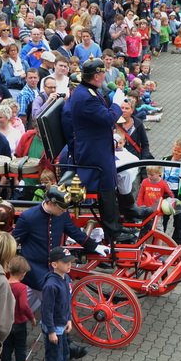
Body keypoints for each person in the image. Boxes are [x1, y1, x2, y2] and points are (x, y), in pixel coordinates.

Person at [68, 58, 131, 244]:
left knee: (110, 185)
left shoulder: (88, 91)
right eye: (102, 73)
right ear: (97, 76)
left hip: (98, 145)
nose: (104, 76)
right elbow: (108, 118)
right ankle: (113, 231)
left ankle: (118, 221)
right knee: (106, 188)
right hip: (93, 152)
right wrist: (117, 104)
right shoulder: (86, 97)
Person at [41, 247, 77, 361]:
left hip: (63, 325)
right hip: (54, 329)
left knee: (65, 353)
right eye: (65, 262)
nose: (69, 265)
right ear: (54, 264)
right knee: (54, 360)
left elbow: (67, 302)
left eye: (70, 261)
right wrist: (51, 331)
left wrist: (68, 319)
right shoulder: (50, 286)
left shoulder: (66, 279)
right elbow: (46, 311)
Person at [0, 256, 33, 361]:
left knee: (6, 346)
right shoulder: (22, 288)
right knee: (20, 348)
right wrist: (31, 318)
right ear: (23, 273)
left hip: (6, 322)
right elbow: (24, 306)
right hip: (19, 323)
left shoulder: (3, 284)